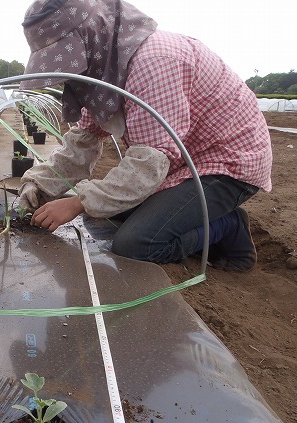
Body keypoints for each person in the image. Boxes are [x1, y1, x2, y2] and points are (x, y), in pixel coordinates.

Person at [17, 0, 272, 272]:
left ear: (92, 35)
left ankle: (228, 224)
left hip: (227, 164)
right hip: (182, 164)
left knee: (136, 245)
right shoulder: (107, 74)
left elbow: (148, 164)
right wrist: (39, 184)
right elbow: (83, 143)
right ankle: (194, 218)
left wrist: (77, 202)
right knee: (99, 220)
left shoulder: (153, 62)